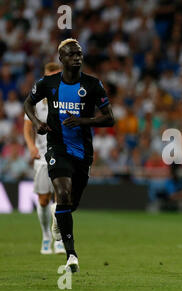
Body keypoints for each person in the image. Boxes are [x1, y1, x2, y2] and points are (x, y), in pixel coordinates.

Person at [23, 39, 115, 272]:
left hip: (82, 152)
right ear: (61, 59)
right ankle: (71, 254)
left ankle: (58, 219)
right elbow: (28, 104)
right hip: (57, 148)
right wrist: (37, 123)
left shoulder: (93, 85)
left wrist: (84, 120)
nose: (77, 57)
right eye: (71, 54)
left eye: (79, 53)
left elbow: (109, 118)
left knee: (70, 203)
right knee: (61, 193)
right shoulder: (48, 83)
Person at [23, 62, 66, 255]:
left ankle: (59, 238)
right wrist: (31, 146)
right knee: (43, 200)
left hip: (63, 153)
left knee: (61, 197)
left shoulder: (68, 98)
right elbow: (27, 126)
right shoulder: (36, 99)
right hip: (42, 156)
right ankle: (45, 235)